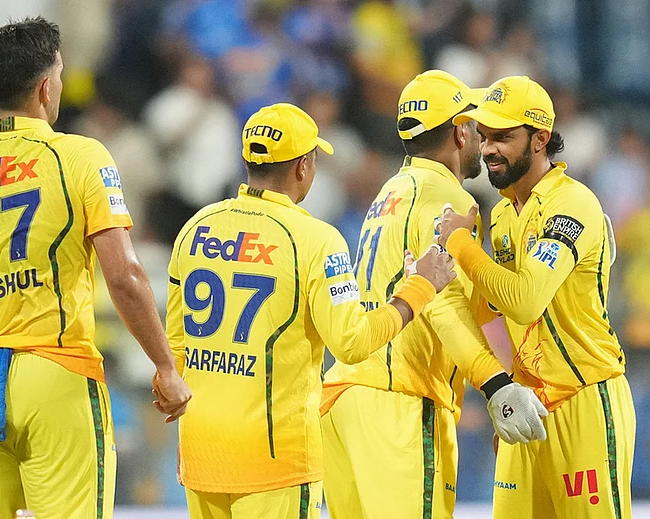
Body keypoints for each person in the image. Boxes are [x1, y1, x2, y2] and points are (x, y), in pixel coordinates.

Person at [0, 17, 191, 519]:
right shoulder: (80, 156)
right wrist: (164, 365)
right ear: (47, 85)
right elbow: (125, 276)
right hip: (58, 373)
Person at [164, 102, 457, 519]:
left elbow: (177, 344)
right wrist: (417, 289)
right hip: (275, 458)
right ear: (303, 166)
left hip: (201, 451)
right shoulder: (315, 239)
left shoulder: (195, 228)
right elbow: (353, 343)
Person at [320, 70, 548, 519]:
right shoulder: (452, 201)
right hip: (400, 403)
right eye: (475, 126)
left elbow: (469, 304)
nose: (481, 137)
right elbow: (444, 305)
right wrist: (496, 385)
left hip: (343, 398)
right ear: (460, 133)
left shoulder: (389, 191)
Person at [439, 75, 636, 519]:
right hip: (530, 409)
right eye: (484, 136)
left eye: (503, 137)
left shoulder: (572, 205)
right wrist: (506, 394)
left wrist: (461, 244)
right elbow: (506, 315)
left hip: (585, 400)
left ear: (540, 139)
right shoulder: (506, 213)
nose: (488, 148)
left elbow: (526, 300)